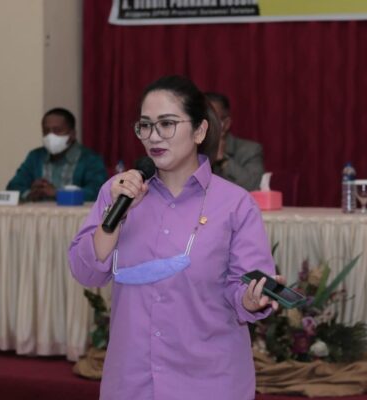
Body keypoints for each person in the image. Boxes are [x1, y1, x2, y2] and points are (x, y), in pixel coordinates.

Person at [68, 75, 283, 400]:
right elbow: (86, 272)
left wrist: (251, 300)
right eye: (145, 125)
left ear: (199, 131)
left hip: (209, 381)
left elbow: (243, 286)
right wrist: (116, 215)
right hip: (132, 380)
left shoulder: (235, 204)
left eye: (167, 124)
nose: (153, 136)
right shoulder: (118, 192)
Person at [7, 108, 107, 201]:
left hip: (76, 214)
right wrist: (30, 193)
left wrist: (58, 193)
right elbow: (13, 188)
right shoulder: (35, 157)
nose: (50, 136)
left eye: (57, 130)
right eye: (46, 131)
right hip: (38, 213)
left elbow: (98, 192)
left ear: (72, 134)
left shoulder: (90, 159)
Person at [205, 92, 264, 191]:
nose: (204, 125)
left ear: (226, 124)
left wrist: (224, 160)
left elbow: (254, 187)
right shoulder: (192, 148)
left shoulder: (250, 150)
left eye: (211, 119)